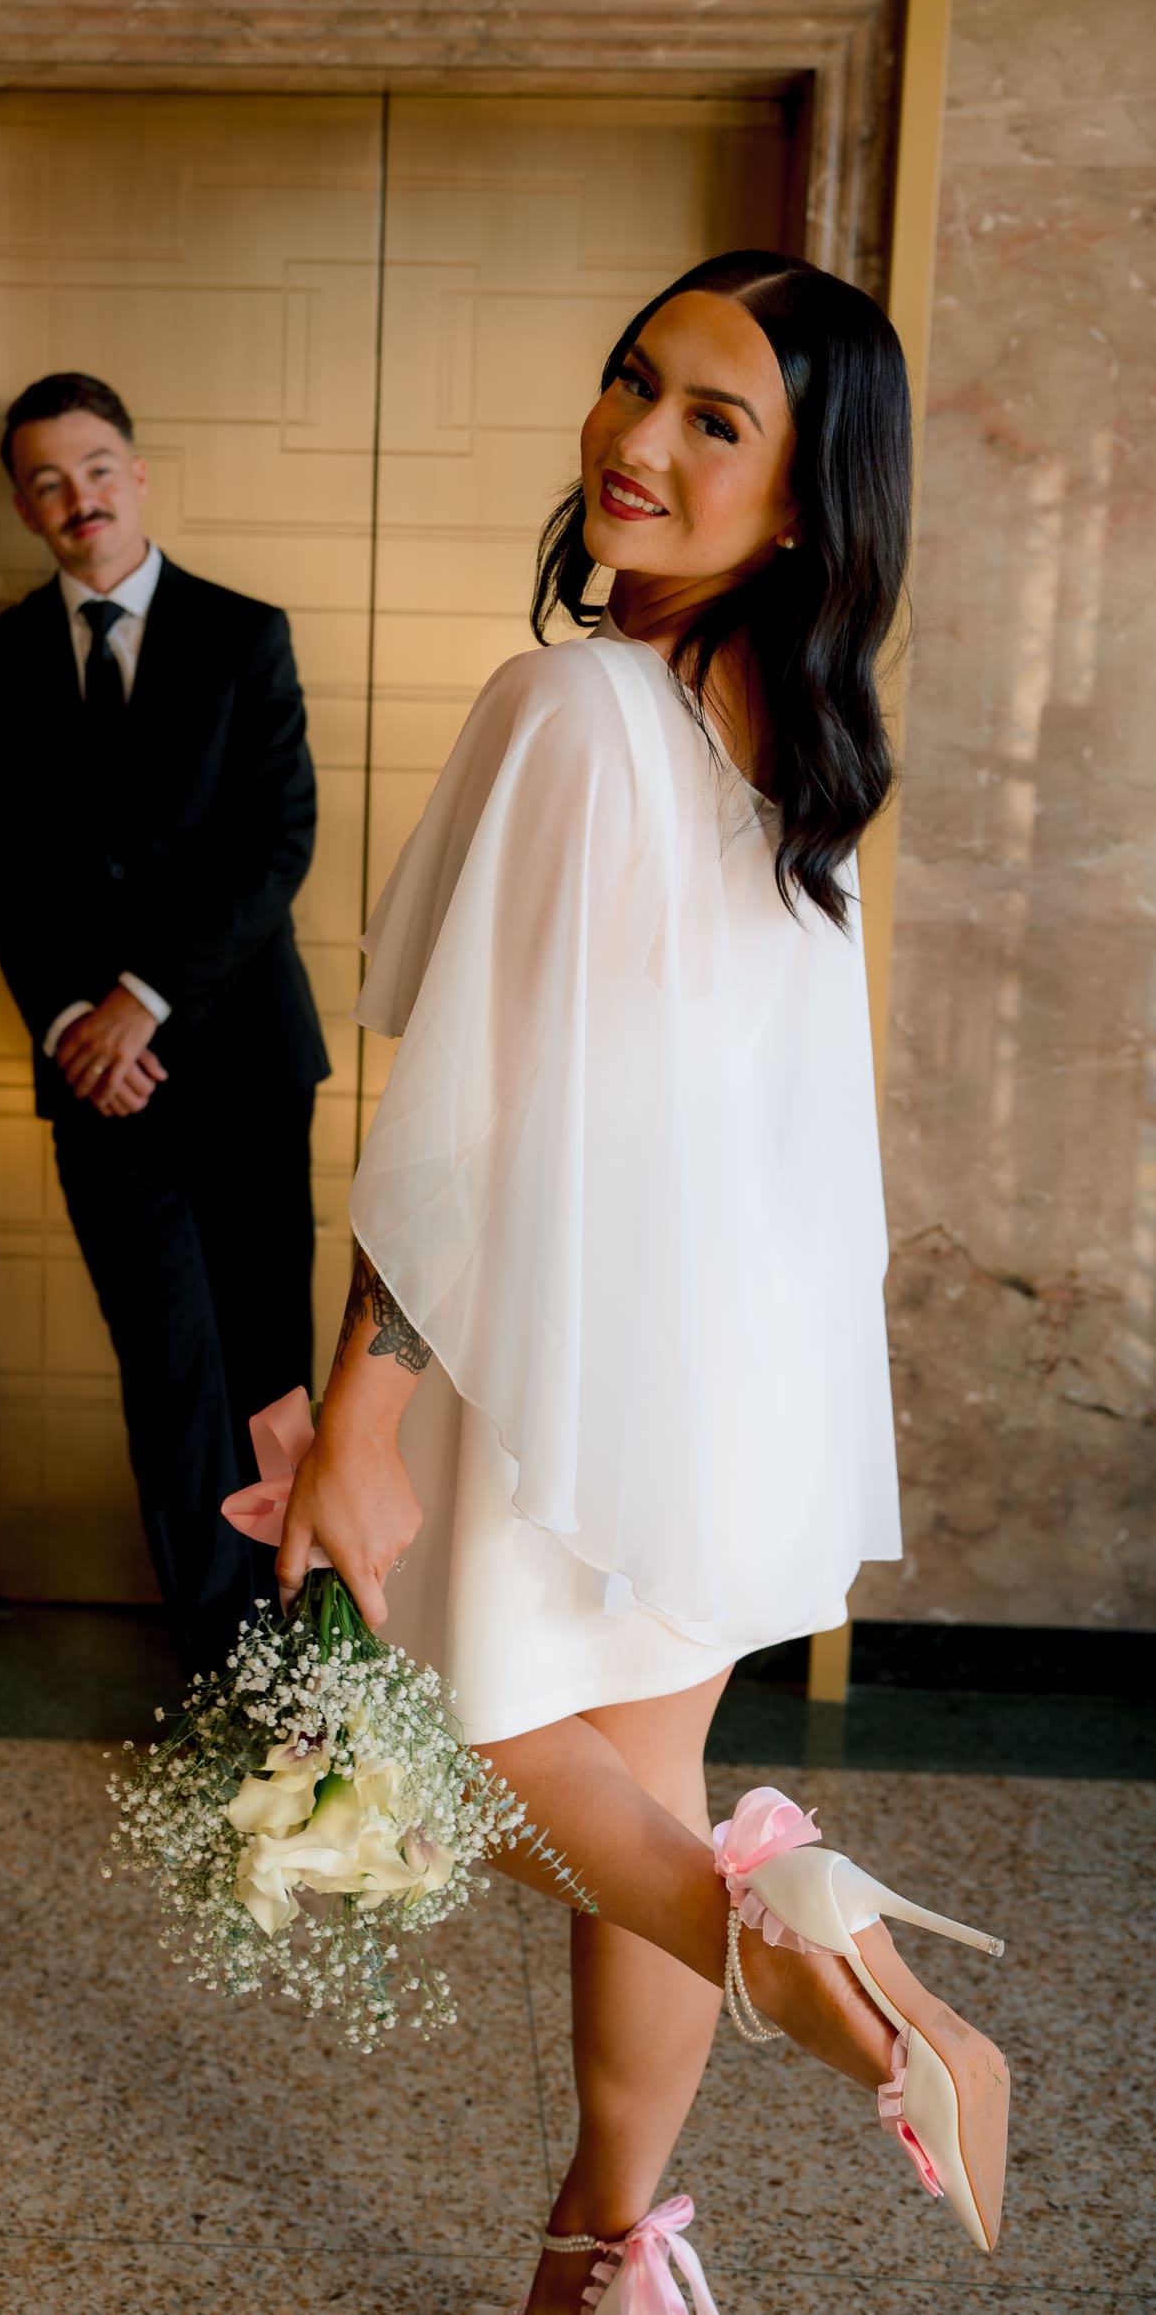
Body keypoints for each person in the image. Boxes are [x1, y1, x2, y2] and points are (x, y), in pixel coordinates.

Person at [275, 255, 1009, 2313]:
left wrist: (363, 1408)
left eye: (714, 420)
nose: (634, 439)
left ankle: (872, 2010)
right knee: (653, 1790)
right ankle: (609, 2257)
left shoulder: (581, 704)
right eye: (633, 384)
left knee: (469, 1727)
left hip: (571, 1361)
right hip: (745, 1365)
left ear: (804, 501)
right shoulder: (810, 754)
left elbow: (462, 1123)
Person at [0, 371, 329, 1674]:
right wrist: (81, 1022)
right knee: (169, 1375)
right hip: (94, 1085)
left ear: (139, 471)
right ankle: (224, 1675)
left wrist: (141, 1000)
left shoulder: (243, 634)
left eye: (100, 466)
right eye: (50, 480)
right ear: (22, 503)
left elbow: (276, 843)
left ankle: (311, 1666)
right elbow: (0, 866)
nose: (81, 498)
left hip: (242, 1064)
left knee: (268, 1376)